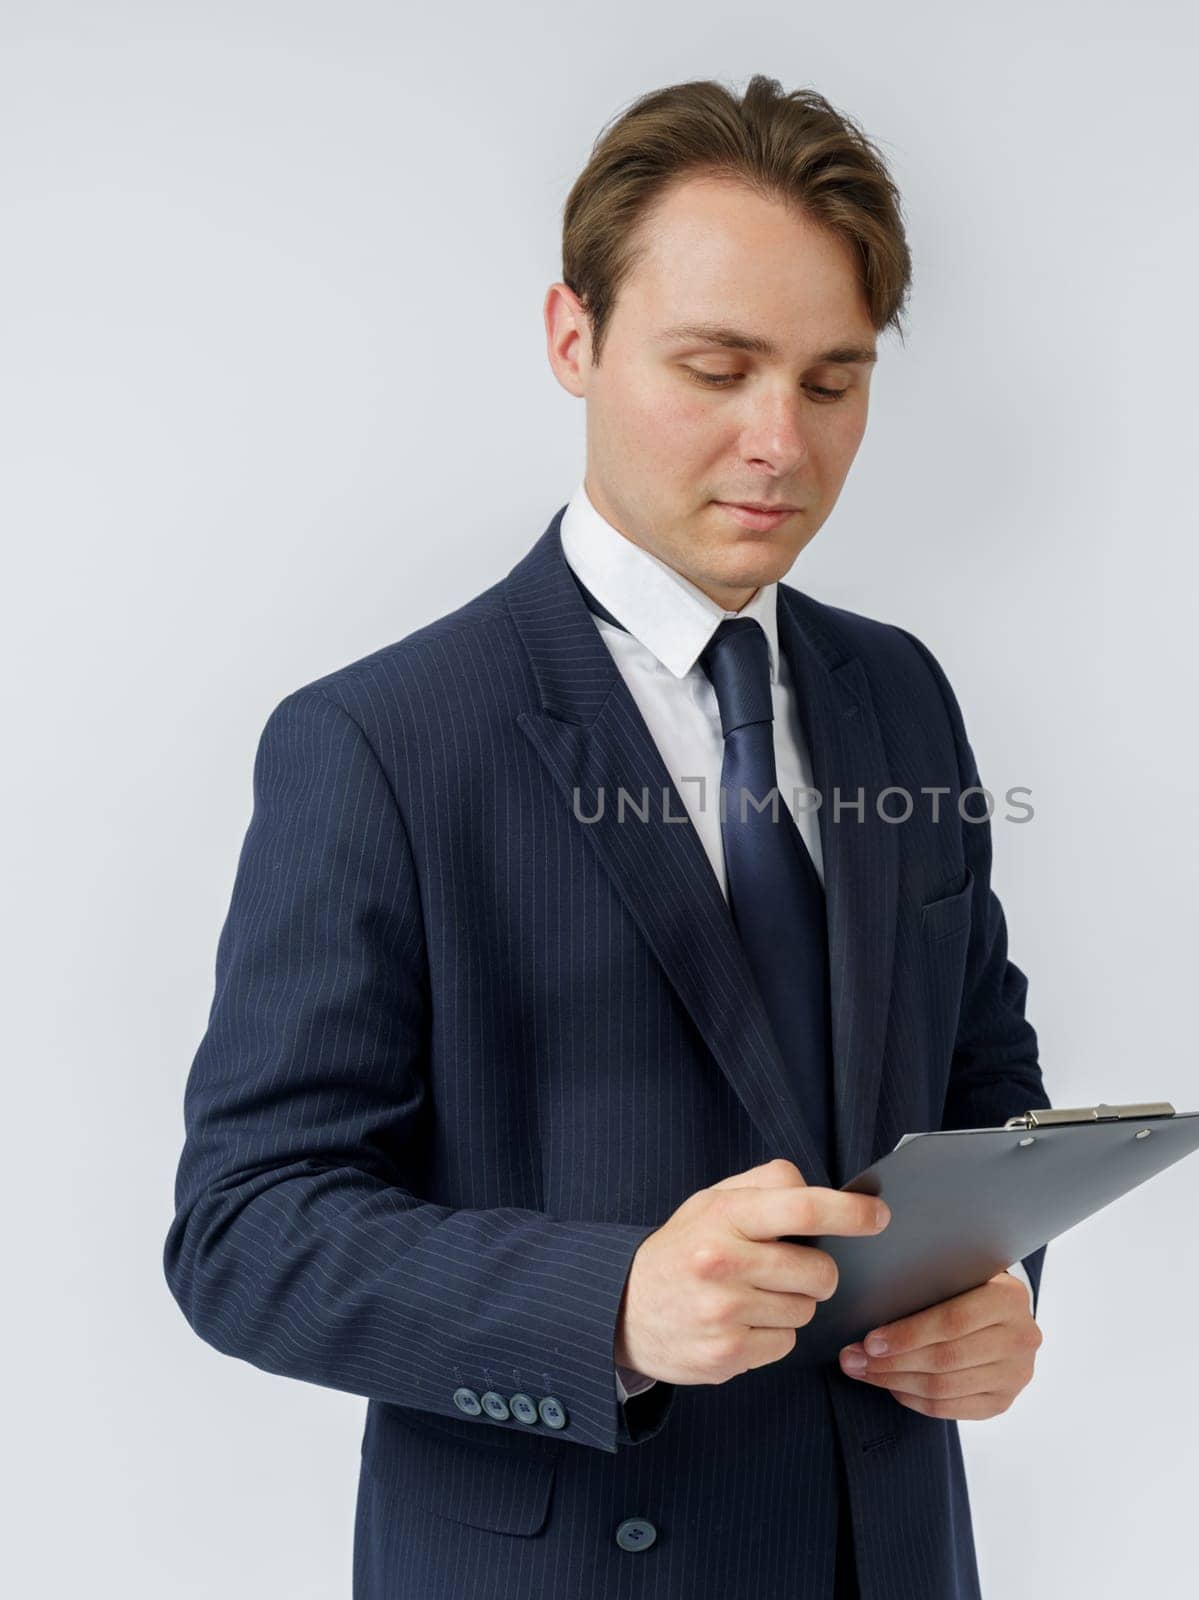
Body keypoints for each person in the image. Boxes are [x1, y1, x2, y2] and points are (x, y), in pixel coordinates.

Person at [163, 72, 1049, 1600]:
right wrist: (612, 1306)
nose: (780, 442)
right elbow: (247, 1231)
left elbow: (983, 1075)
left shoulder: (898, 692)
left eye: (832, 383)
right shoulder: (379, 741)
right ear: (572, 338)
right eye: (717, 367)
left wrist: (1003, 1287)